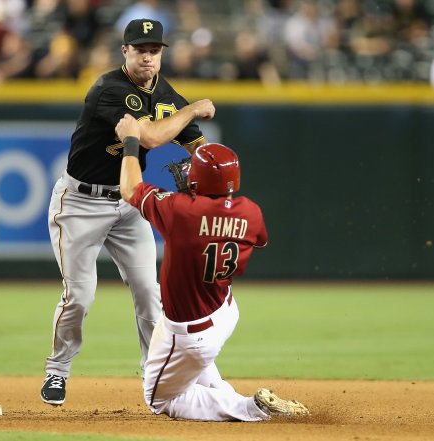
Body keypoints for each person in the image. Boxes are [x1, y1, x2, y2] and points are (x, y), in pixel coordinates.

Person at [41, 18, 216, 406]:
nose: (148, 58)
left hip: (129, 204)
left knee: (149, 295)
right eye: (141, 50)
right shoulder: (109, 88)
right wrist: (194, 109)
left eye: (154, 51)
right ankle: (58, 370)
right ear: (125, 52)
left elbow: (201, 151)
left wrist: (216, 172)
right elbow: (148, 136)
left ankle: (154, 377)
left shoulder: (167, 94)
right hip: (80, 204)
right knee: (80, 296)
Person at [114, 114, 310, 421]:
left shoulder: (180, 211)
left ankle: (250, 408)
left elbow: (130, 188)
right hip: (223, 311)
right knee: (193, 366)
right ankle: (229, 394)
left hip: (191, 330)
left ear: (199, 180)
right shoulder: (251, 212)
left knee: (160, 400)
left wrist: (130, 141)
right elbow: (255, 239)